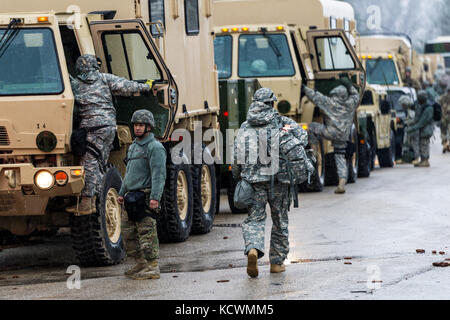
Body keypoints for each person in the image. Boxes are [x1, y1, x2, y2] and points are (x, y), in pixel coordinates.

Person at [232, 88, 308, 278]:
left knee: (254, 219)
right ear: (272, 103)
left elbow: (236, 155)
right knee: (280, 220)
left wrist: (238, 175)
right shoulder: (282, 122)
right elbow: (303, 139)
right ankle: (276, 263)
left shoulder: (245, 126)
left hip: (254, 182)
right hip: (279, 181)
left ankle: (253, 249)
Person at [67, 54, 154, 215]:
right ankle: (98, 198)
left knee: (90, 163)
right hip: (108, 127)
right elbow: (127, 86)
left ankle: (88, 201)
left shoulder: (75, 84)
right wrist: (146, 86)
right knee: (99, 162)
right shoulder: (104, 78)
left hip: (92, 128)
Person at [117, 109, 167, 280]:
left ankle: (152, 267)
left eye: (141, 125)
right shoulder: (133, 147)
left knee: (147, 233)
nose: (137, 128)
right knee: (128, 233)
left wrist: (155, 198)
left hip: (145, 197)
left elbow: (159, 175)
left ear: (148, 127)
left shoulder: (155, 147)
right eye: (136, 125)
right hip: (131, 198)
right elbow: (128, 173)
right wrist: (122, 193)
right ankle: (140, 263)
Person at [302, 76, 360, 194]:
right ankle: (341, 183)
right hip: (343, 136)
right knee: (340, 158)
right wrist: (349, 85)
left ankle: (314, 150)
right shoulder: (350, 104)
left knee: (312, 127)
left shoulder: (329, 102)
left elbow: (314, 96)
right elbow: (356, 95)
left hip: (330, 132)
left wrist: (303, 87)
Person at [406, 90, 435, 167]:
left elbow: (422, 122)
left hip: (427, 129)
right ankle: (422, 160)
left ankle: (425, 160)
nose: (418, 100)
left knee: (424, 144)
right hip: (422, 129)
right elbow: (413, 107)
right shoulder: (419, 105)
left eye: (419, 99)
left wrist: (412, 128)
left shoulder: (428, 108)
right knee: (422, 143)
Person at [396, 95, 419, 165]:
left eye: (403, 105)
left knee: (414, 144)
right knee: (405, 144)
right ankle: (405, 158)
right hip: (409, 130)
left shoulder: (412, 109)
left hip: (413, 130)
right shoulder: (408, 109)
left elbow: (413, 120)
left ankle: (417, 158)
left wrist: (405, 122)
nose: (402, 106)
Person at [438, 86, 450, 153]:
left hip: (443, 116)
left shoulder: (442, 97)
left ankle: (444, 144)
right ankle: (449, 144)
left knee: (443, 131)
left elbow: (438, 104)